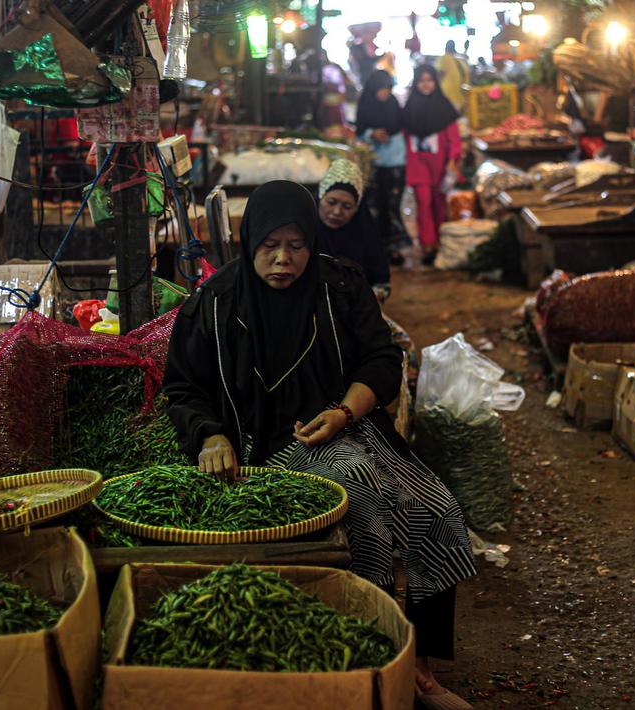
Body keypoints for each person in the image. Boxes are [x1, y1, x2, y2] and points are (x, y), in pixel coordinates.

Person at [163, 181, 476, 709]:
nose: (284, 259)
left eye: (296, 245)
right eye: (269, 245)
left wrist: (342, 412)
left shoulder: (339, 288)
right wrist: (209, 435)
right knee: (363, 501)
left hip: (347, 424)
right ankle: (371, 662)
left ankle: (418, 667)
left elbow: (381, 361)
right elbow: (182, 387)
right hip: (264, 450)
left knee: (437, 508)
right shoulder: (213, 306)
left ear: (312, 241)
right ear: (250, 241)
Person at [404, 65, 462, 266]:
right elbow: (403, 137)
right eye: (421, 80)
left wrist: (453, 160)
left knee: (438, 205)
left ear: (435, 82)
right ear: (416, 83)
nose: (425, 84)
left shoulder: (445, 108)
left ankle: (440, 240)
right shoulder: (409, 108)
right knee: (423, 202)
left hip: (440, 166)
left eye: (429, 80)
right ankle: (428, 244)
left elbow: (454, 139)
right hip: (417, 165)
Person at [316, 159, 392, 301]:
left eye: (347, 206)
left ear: (357, 209)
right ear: (320, 198)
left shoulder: (365, 235)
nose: (337, 212)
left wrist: (374, 295)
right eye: (331, 202)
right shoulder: (303, 233)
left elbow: (382, 282)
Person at [354, 70, 408, 263]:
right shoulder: (365, 103)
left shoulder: (393, 102)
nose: (385, 93)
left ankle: (393, 248)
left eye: (388, 89)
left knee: (392, 205)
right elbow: (359, 129)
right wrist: (372, 133)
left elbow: (401, 125)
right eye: (382, 89)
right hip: (374, 162)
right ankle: (374, 248)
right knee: (375, 206)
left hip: (396, 161)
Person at [437, 41, 470, 112]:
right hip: (461, 95)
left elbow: (439, 75)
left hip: (447, 95)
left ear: (445, 47)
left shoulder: (443, 59)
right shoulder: (460, 60)